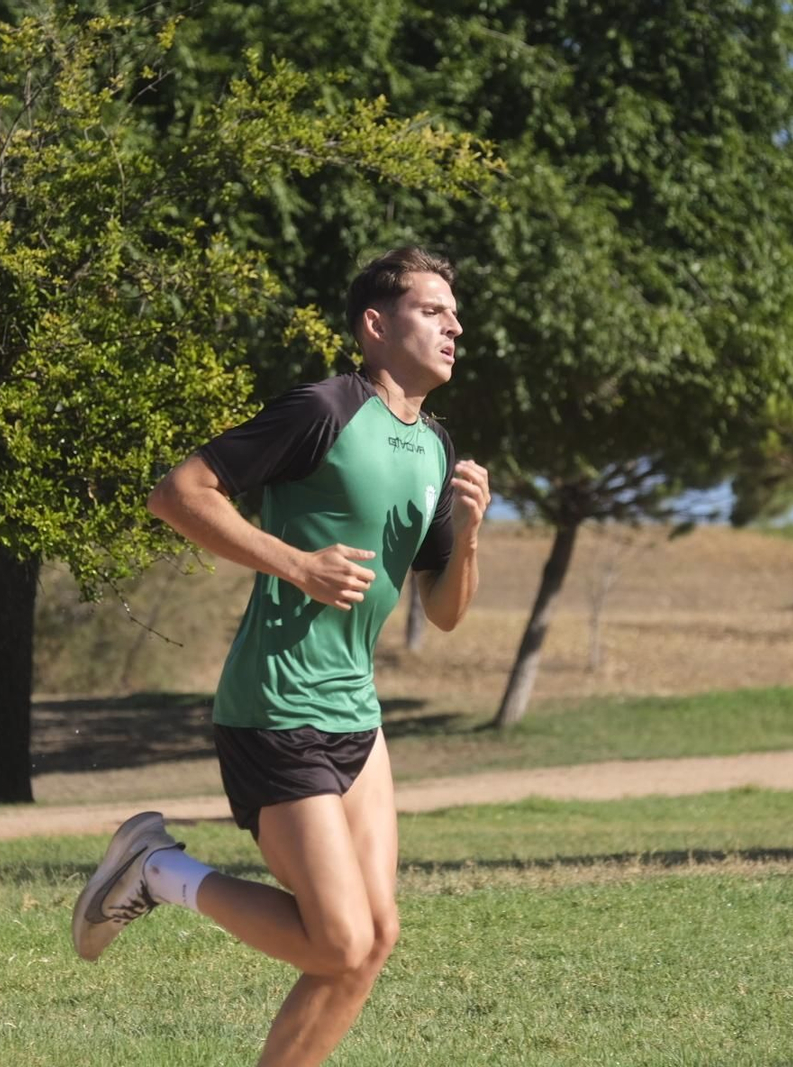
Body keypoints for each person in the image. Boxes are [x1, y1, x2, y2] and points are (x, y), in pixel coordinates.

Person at [72, 246, 490, 1066]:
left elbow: (443, 612)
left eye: (455, 313)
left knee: (373, 938)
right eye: (433, 310)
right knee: (338, 939)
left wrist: (469, 536)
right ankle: (158, 870)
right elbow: (178, 493)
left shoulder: (437, 448)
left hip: (356, 712)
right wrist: (297, 564)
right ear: (375, 326)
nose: (455, 326)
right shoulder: (324, 409)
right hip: (276, 704)